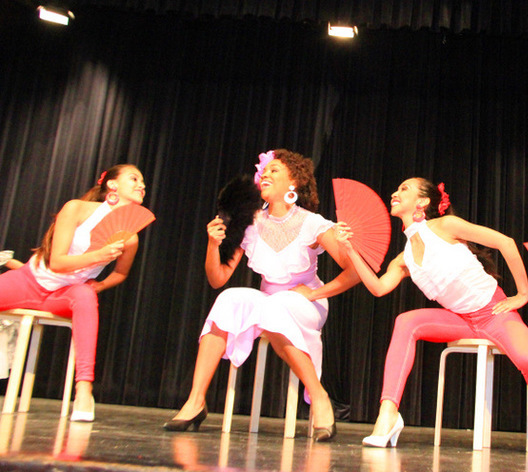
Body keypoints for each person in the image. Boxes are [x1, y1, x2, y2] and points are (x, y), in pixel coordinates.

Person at [337, 177, 528, 452]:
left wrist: (522, 294)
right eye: (397, 188)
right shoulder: (404, 259)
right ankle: (388, 413)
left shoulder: (445, 226)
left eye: (404, 189)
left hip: (494, 312)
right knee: (405, 322)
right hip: (461, 320)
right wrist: (351, 250)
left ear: (422, 201)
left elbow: (506, 242)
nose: (394, 193)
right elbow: (378, 288)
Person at [163, 149, 359, 441]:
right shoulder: (249, 222)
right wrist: (213, 245)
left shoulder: (313, 223)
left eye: (274, 170)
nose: (265, 174)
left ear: (294, 181)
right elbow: (218, 279)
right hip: (269, 301)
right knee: (228, 299)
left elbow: (354, 272)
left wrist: (315, 293)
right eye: (264, 172)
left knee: (275, 307)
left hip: (305, 302)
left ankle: (319, 396)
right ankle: (195, 401)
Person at [0, 164, 149, 422]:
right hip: (30, 282)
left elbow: (121, 273)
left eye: (143, 183)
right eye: (134, 179)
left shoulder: (131, 238)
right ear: (112, 185)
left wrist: (99, 285)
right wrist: (99, 255)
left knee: (86, 296)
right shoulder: (76, 209)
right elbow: (57, 262)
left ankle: (84, 391)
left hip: (63, 294)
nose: (142, 186)